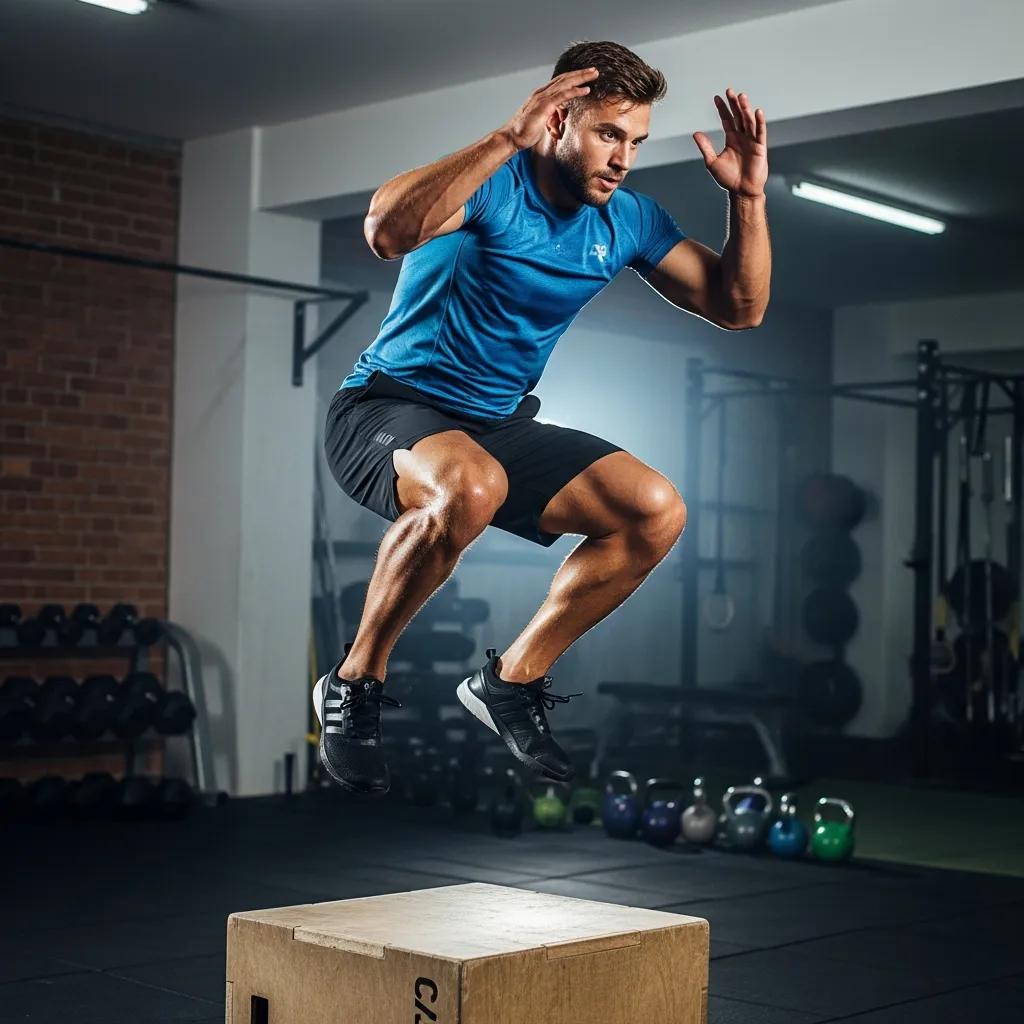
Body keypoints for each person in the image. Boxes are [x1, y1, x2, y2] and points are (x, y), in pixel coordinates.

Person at [314, 39, 771, 795]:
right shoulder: (493, 187)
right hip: (385, 409)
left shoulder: (627, 220)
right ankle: (353, 682)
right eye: (608, 133)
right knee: (471, 486)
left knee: (653, 510)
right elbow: (385, 233)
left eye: (635, 141)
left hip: (493, 424)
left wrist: (747, 198)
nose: (623, 157)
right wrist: (503, 138)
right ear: (558, 119)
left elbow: (739, 307)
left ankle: (511, 681)